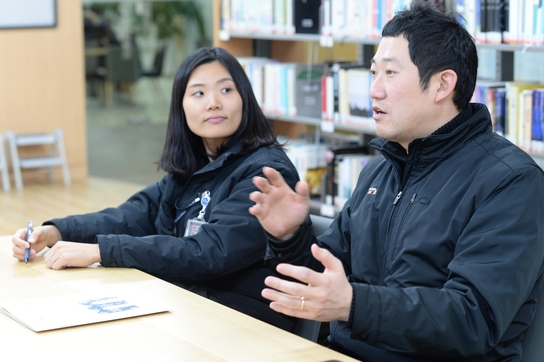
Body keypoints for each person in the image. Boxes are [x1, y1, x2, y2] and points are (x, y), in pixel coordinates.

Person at [248, 2, 544, 361]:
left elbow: (472, 319)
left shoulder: (511, 182)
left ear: (442, 85)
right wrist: (290, 239)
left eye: (389, 73)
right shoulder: (379, 171)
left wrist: (354, 305)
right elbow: (327, 281)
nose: (374, 90)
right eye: (373, 73)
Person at [11, 47, 310, 332]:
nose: (213, 102)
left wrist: (101, 250)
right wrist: (55, 232)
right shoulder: (196, 163)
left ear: (245, 98)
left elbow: (210, 253)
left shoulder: (266, 172)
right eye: (198, 93)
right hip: (191, 303)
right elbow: (135, 214)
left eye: (226, 90)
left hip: (243, 320)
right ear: (181, 106)